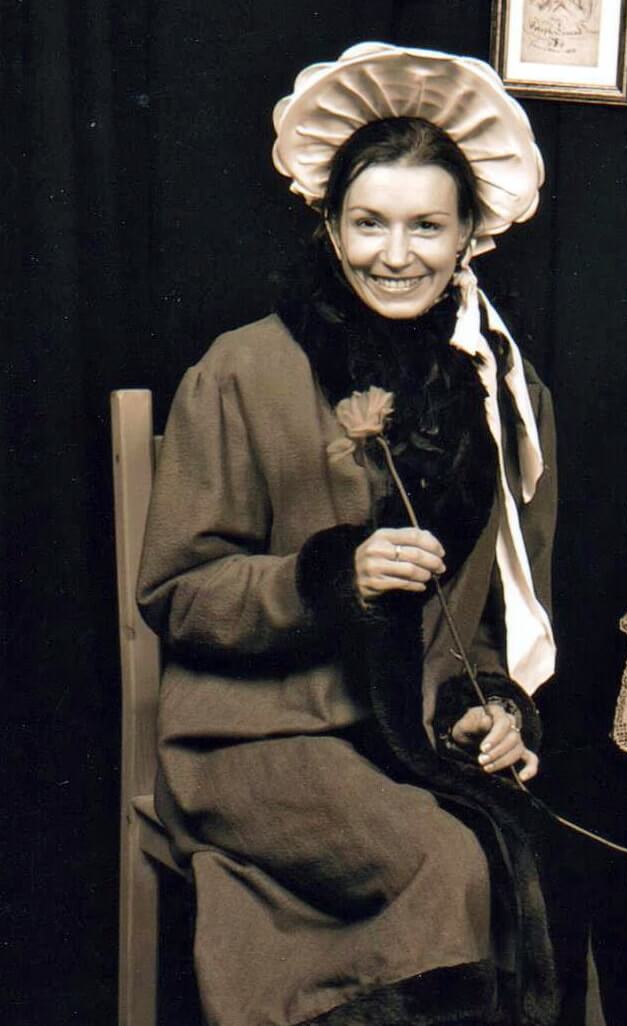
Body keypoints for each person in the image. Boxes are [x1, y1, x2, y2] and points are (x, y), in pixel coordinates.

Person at [137, 43, 574, 1026]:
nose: (396, 253)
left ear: (470, 235)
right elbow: (178, 594)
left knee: (530, 864)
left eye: (427, 226)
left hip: (409, 738)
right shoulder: (241, 370)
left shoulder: (508, 397)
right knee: (450, 861)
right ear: (330, 227)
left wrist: (486, 707)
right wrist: (335, 575)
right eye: (369, 222)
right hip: (255, 736)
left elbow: (494, 619)